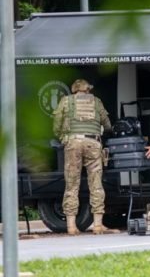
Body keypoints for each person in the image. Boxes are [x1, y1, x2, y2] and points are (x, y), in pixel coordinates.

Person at [53, 79, 117, 235]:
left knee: (72, 183)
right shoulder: (96, 101)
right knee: (96, 183)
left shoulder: (66, 101)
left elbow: (56, 123)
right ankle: (97, 225)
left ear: (74, 89)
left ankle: (71, 227)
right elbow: (107, 124)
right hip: (93, 143)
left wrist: (63, 137)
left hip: (73, 143)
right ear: (87, 89)